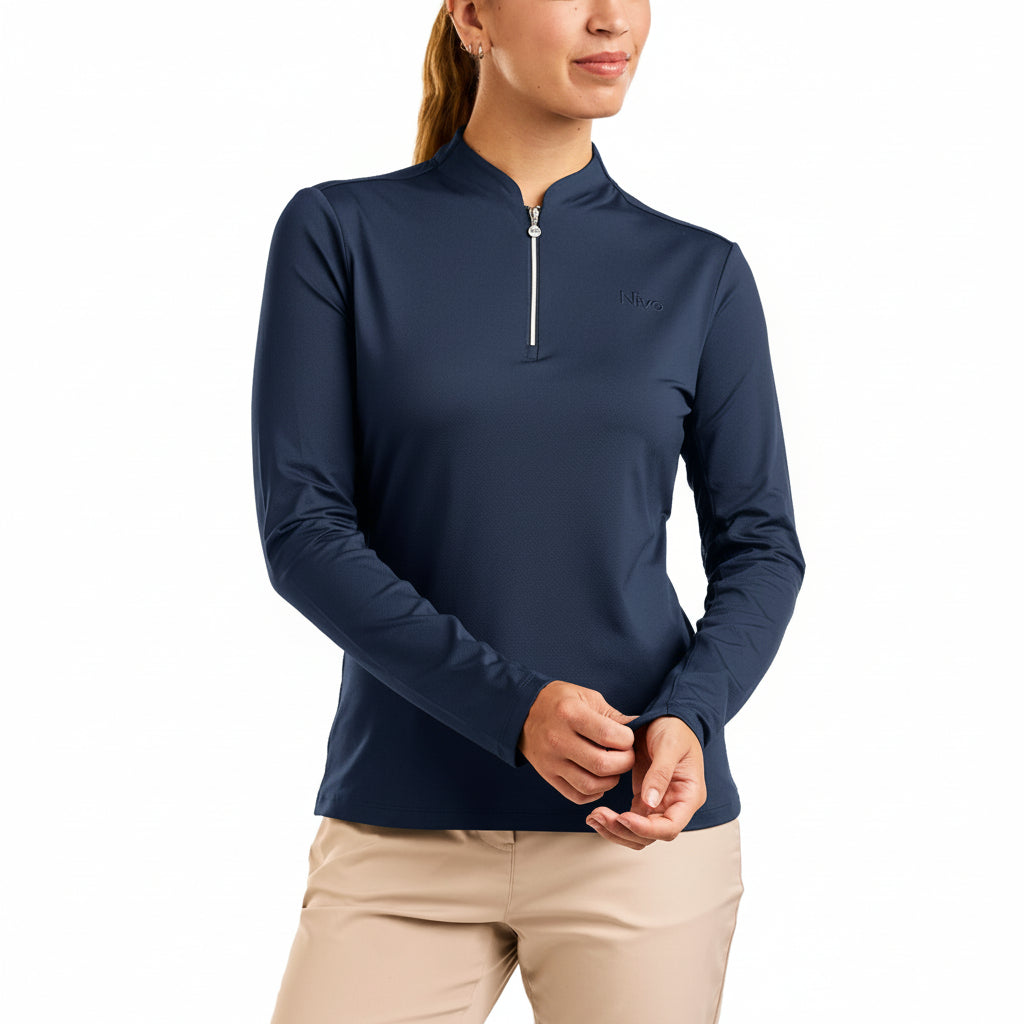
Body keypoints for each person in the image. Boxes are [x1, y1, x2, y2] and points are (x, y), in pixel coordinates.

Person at [251, 2, 805, 1021]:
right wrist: (513, 709)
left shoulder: (701, 272)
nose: (610, 19)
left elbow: (762, 546)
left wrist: (691, 713)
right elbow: (304, 532)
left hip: (638, 834)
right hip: (401, 829)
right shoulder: (338, 233)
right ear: (473, 16)